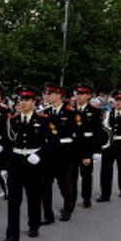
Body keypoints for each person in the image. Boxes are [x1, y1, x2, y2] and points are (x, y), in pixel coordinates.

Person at [1, 86, 51, 241]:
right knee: (13, 200)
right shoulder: (12, 120)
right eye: (21, 100)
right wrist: (4, 165)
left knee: (33, 196)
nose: (23, 103)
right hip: (16, 162)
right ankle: (12, 234)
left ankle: (34, 225)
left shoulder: (43, 120)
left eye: (27, 100)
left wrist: (39, 155)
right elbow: (6, 143)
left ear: (34, 102)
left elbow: (51, 143)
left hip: (34, 162)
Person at [40, 84, 78, 223]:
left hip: (64, 154)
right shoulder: (45, 112)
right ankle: (48, 215)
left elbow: (76, 136)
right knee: (45, 185)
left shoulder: (71, 112)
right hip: (48, 154)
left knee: (64, 184)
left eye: (50, 93)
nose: (47, 96)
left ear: (59, 95)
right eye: (47, 93)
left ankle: (68, 208)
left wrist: (77, 155)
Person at [73, 83, 105, 208]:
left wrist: (97, 150)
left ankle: (86, 198)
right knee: (72, 176)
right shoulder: (70, 110)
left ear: (89, 96)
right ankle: (71, 199)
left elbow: (98, 133)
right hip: (72, 147)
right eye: (78, 93)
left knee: (86, 175)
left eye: (82, 94)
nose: (79, 96)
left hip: (87, 147)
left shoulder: (95, 111)